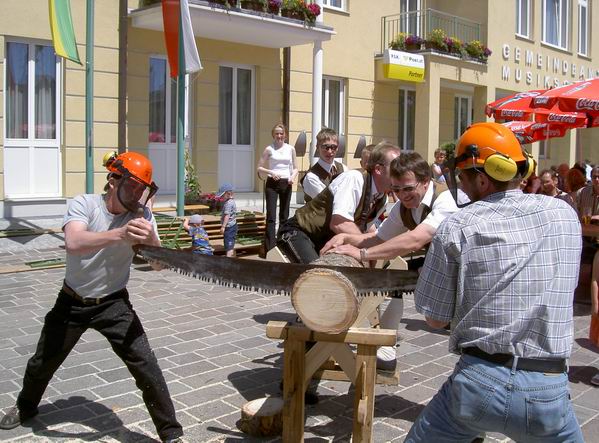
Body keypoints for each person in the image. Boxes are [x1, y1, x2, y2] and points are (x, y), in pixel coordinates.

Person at [405, 122, 583, 442]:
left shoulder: (458, 224)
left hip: (480, 380)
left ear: (483, 179)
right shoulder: (565, 214)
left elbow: (435, 318)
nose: (459, 183)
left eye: (462, 176)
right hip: (548, 384)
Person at [0, 152, 183, 443]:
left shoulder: (141, 215)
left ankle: (171, 433)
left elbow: (160, 265)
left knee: (145, 363)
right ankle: (25, 406)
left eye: (142, 189)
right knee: (42, 362)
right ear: (113, 180)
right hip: (72, 301)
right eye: (132, 186)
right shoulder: (84, 203)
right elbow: (74, 242)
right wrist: (120, 234)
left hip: (114, 303)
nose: (137, 194)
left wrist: (149, 236)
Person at [322, 152, 460, 372]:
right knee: (399, 286)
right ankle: (387, 350)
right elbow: (379, 238)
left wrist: (363, 255)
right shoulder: (402, 207)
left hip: (469, 271)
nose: (402, 196)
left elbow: (416, 239)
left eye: (407, 188)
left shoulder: (445, 200)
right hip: (444, 263)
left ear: (425, 182)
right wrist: (349, 239)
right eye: (396, 190)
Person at [277, 142, 401, 264]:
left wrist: (372, 252)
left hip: (324, 240)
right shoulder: (354, 179)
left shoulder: (381, 199)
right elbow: (340, 223)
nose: (401, 173)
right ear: (378, 169)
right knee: (316, 277)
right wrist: (367, 250)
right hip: (298, 232)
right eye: (396, 168)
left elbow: (367, 231)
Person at [257, 123, 298, 252]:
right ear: (273, 135)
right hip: (272, 184)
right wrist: (271, 172)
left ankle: (283, 244)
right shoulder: (269, 149)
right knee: (271, 216)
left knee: (284, 216)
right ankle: (270, 247)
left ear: (285, 135)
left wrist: (292, 177)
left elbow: (296, 168)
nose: (279, 136)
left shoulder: (291, 149)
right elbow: (259, 167)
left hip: (286, 183)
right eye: (277, 133)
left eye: (281, 133)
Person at [300, 127, 346, 202]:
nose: (329, 151)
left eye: (333, 147)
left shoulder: (344, 169)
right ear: (317, 148)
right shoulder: (311, 177)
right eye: (325, 147)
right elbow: (328, 201)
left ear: (337, 148)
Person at [218, 183, 238, 258]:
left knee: (229, 243)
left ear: (228, 194)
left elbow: (227, 215)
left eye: (222, 195)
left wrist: (223, 226)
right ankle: (230, 255)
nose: (222, 197)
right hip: (232, 225)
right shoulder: (231, 201)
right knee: (229, 242)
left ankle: (228, 258)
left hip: (229, 227)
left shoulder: (228, 204)